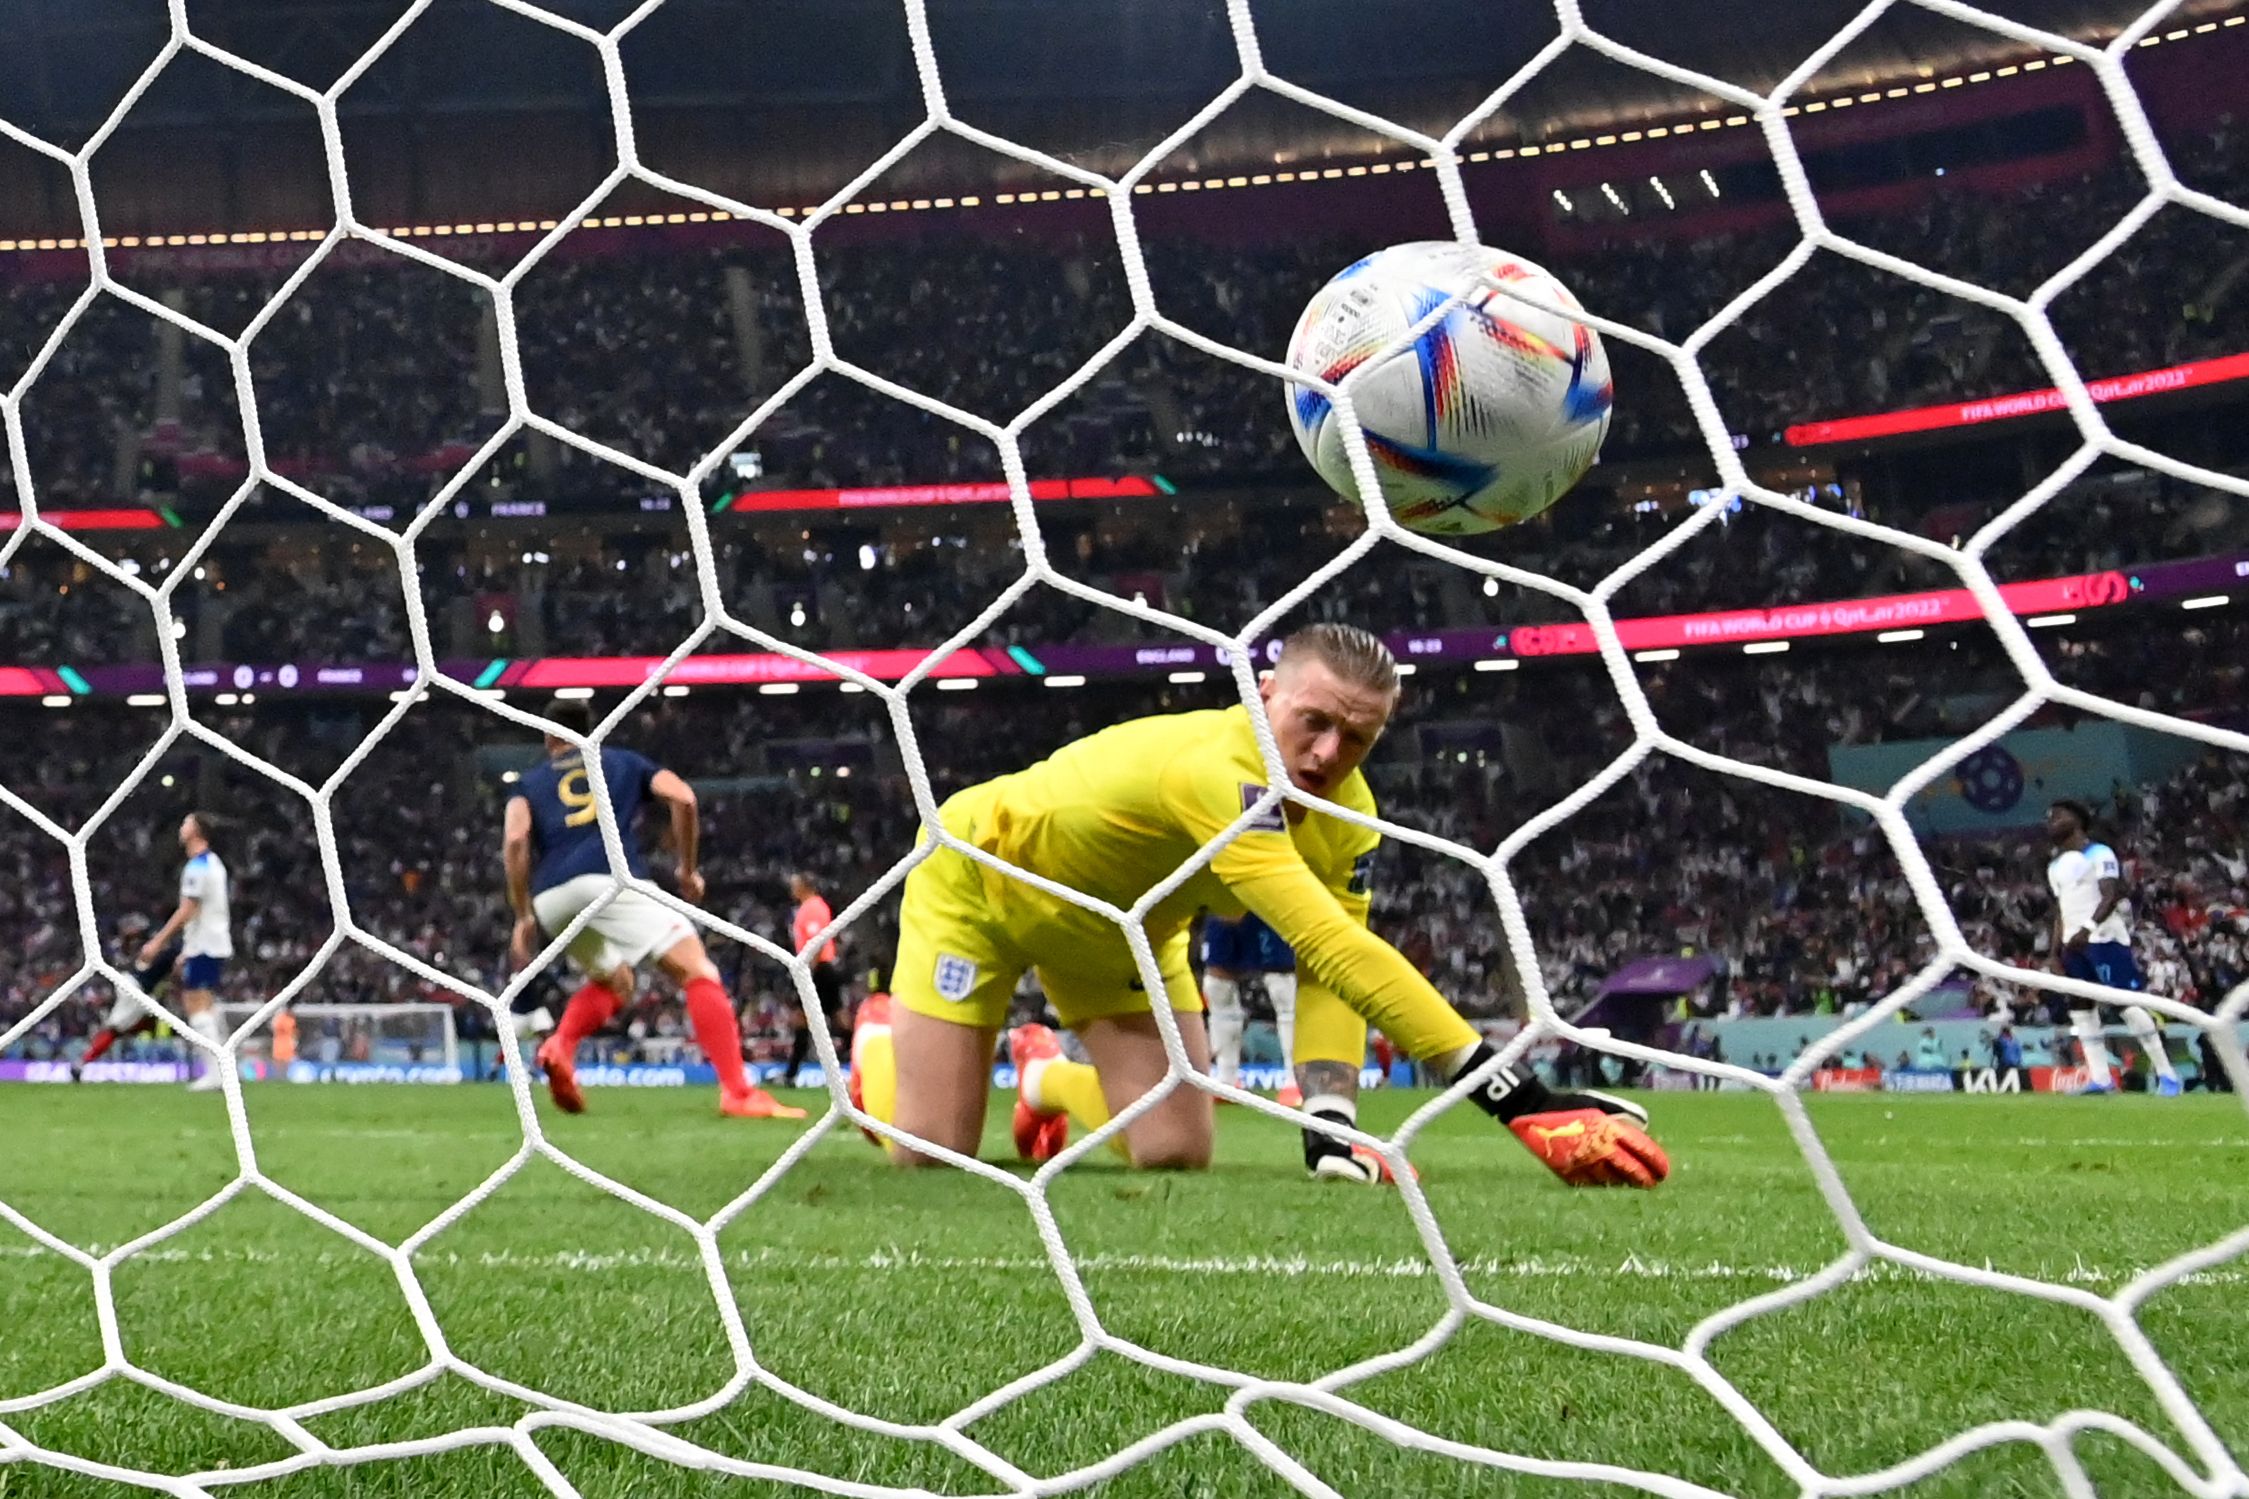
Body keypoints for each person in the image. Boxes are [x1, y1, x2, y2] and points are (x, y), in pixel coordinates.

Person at [850, 624, 1668, 1187]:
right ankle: (875, 1048)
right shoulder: (1217, 772)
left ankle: (1044, 1080)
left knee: (1174, 1151)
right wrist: (1518, 1099)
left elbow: (1329, 967)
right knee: (933, 1158)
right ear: (1264, 692)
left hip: (1125, 936)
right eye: (1312, 723)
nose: (1325, 755)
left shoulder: (1349, 817)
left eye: (1356, 740)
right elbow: (1333, 946)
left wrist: (1330, 1121)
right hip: (979, 884)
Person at [504, 698, 804, 1121]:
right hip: (609, 880)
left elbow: (516, 840)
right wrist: (687, 870)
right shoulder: (623, 762)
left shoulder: (529, 782)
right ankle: (737, 1091)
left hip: (551, 897)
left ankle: (560, 1048)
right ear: (591, 731)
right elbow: (684, 798)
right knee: (698, 970)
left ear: (548, 734)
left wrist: (522, 914)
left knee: (617, 982)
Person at [2044, 799, 2180, 1097]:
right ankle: (2100, 1078)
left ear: (2077, 819)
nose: (2051, 820)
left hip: (2104, 939)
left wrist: (2088, 929)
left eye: (2058, 815)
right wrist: (2054, 953)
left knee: (2126, 1005)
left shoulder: (2098, 852)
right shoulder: (2054, 866)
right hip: (2073, 946)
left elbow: (2111, 893)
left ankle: (2168, 1075)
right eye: (2049, 817)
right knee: (2081, 1010)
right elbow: (2059, 911)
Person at [136, 812, 231, 1092]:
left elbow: (189, 910)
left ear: (197, 831)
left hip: (205, 944)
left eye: (185, 823)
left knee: (196, 1005)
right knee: (207, 1004)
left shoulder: (198, 867)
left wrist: (158, 942)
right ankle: (225, 1069)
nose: (181, 828)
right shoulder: (213, 863)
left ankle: (216, 1074)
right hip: (210, 942)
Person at [1199, 911, 1301, 1106]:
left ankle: (1295, 1080)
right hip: (1223, 891)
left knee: (1283, 987)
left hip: (1266, 893)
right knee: (1217, 986)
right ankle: (1226, 1080)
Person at [72, 914, 180, 1081]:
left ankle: (89, 1059)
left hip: (135, 987)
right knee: (115, 1030)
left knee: (142, 1023)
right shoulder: (174, 948)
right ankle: (81, 1062)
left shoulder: (157, 941)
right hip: (136, 989)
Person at [786, 872, 849, 1085]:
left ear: (805, 886)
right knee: (838, 1018)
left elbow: (816, 942)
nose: (792, 889)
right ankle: (860, 1058)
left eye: (795, 885)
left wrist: (808, 974)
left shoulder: (812, 908)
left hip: (818, 969)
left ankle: (790, 1074)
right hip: (824, 968)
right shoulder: (814, 906)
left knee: (802, 1019)